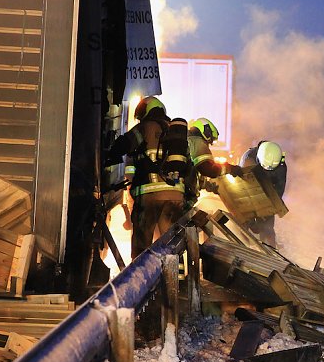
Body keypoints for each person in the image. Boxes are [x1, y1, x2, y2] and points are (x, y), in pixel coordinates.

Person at [104, 96, 191, 259]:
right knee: (172, 247)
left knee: (142, 246)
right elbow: (188, 167)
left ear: (147, 110)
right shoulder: (176, 135)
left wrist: (109, 153)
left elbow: (125, 144)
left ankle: (141, 280)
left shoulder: (146, 127)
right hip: (175, 197)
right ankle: (176, 282)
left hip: (150, 197)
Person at [185, 117, 243, 207]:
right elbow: (206, 168)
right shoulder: (197, 141)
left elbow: (193, 171)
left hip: (183, 192)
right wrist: (230, 169)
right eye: (209, 140)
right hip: (184, 195)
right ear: (206, 131)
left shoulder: (190, 141)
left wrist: (207, 185)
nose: (208, 144)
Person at [238, 140, 287, 247]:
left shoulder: (281, 166)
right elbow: (242, 186)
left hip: (267, 191)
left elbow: (278, 190)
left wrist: (270, 208)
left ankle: (270, 249)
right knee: (244, 219)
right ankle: (242, 245)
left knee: (267, 226)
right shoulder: (248, 158)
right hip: (248, 191)